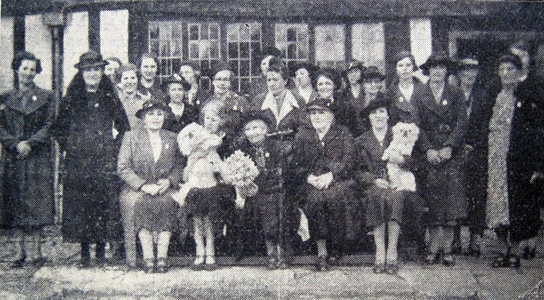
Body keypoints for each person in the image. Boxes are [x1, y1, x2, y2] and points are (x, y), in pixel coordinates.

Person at [51, 51, 130, 268]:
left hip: (104, 160)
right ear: (82, 73)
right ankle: (85, 254)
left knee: (102, 204)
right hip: (78, 162)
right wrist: (72, 146)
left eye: (97, 69)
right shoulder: (72, 97)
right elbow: (58, 128)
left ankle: (101, 253)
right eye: (88, 70)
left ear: (103, 72)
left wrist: (113, 148)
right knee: (81, 205)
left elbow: (124, 127)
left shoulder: (109, 96)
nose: (93, 73)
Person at [467, 54, 544, 268]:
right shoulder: (492, 96)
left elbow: (539, 133)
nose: (506, 73)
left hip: (520, 161)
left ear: (519, 72)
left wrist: (538, 165)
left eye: (510, 69)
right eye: (502, 70)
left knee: (518, 205)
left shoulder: (529, 97)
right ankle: (502, 250)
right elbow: (478, 125)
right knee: (496, 204)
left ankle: (516, 251)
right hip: (494, 159)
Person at [0, 51, 55, 268]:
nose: (28, 73)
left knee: (36, 203)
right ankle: (18, 252)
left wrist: (30, 143)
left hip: (36, 156)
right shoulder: (5, 98)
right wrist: (15, 144)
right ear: (16, 69)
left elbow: (50, 124)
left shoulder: (47, 96)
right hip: (14, 157)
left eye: (33, 69)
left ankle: (36, 253)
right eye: (24, 68)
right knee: (15, 202)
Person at [118, 100, 184, 273]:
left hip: (164, 187)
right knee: (141, 203)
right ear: (143, 118)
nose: (155, 118)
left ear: (165, 116)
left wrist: (169, 181)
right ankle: (148, 258)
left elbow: (179, 164)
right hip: (137, 189)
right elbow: (123, 168)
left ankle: (162, 257)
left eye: (159, 114)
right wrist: (143, 186)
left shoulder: (172, 137)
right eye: (151, 114)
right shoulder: (131, 137)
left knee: (167, 202)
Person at [291, 98, 356, 271]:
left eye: (322, 113)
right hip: (312, 182)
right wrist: (309, 177)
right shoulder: (303, 136)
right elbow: (296, 165)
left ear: (331, 115)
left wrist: (332, 175)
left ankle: (336, 246)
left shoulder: (342, 133)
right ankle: (322, 251)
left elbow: (349, 161)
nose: (317, 117)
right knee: (315, 199)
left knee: (335, 196)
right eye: (313, 113)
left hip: (338, 180)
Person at [354, 99, 417, 274]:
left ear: (388, 115)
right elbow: (357, 171)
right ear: (368, 118)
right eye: (373, 113)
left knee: (396, 197)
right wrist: (373, 179)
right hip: (374, 185)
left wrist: (402, 161)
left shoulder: (399, 133)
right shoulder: (360, 141)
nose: (378, 116)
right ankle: (380, 250)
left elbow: (414, 158)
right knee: (376, 196)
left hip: (398, 182)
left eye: (381, 111)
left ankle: (392, 250)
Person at [417, 52, 467, 267]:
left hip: (450, 154)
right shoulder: (420, 93)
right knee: (433, 201)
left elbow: (462, 122)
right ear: (428, 70)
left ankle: (447, 249)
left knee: (451, 201)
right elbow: (416, 125)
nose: (437, 71)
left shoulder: (455, 93)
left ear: (447, 71)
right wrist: (427, 149)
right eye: (434, 67)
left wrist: (449, 146)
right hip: (429, 154)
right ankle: (432, 247)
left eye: (442, 67)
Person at [234, 111, 288, 269]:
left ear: (265, 130)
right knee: (262, 205)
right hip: (254, 193)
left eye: (256, 128)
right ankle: (271, 251)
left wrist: (261, 185)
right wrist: (245, 185)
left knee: (273, 203)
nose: (252, 132)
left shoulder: (277, 147)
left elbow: (282, 174)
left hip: (276, 190)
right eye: (248, 129)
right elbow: (239, 174)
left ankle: (280, 250)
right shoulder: (243, 150)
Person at [453, 56, 485, 256]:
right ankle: (455, 239)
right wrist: (458, 145)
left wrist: (474, 146)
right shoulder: (453, 94)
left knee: (477, 194)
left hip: (477, 151)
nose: (470, 75)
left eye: (473, 71)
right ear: (459, 73)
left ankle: (474, 239)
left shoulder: (482, 96)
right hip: (456, 151)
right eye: (466, 71)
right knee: (456, 193)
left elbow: (486, 124)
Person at [205, 61, 250, 135]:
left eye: (226, 79)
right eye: (219, 79)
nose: (222, 83)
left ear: (230, 82)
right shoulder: (208, 103)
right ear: (213, 81)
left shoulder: (240, 101)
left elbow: (248, 125)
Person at [314, 68, 360, 137]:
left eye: (328, 83)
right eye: (320, 84)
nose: (324, 87)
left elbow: (354, 131)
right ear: (316, 87)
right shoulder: (311, 108)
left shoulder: (345, 107)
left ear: (334, 85)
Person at [117, 63, 149, 130]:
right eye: (125, 78)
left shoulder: (145, 100)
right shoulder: (116, 101)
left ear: (138, 79)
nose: (129, 81)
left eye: (133, 78)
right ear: (120, 81)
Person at [355, 66, 387, 133]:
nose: (373, 85)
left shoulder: (386, 101)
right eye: (369, 82)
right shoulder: (358, 102)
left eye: (376, 81)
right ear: (363, 84)